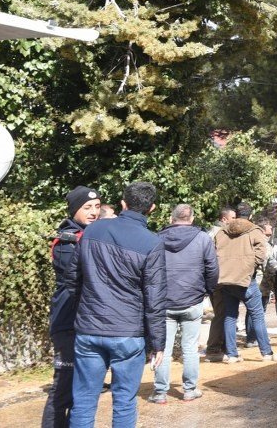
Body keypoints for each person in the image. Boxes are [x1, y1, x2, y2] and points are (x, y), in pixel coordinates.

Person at [68, 181, 166, 428]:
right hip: (127, 333)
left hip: (89, 329)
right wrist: (158, 344)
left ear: (123, 203)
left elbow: (73, 278)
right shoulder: (152, 243)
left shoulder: (92, 231)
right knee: (124, 401)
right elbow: (154, 299)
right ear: (152, 208)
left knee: (83, 401)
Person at [41, 185, 101, 428]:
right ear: (74, 209)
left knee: (81, 389)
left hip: (83, 324)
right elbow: (78, 278)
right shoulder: (68, 241)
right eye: (87, 208)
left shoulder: (89, 235)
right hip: (67, 323)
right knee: (63, 388)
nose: (93, 212)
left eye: (97, 207)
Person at [149, 204, 218, 404]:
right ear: (192, 218)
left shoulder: (157, 238)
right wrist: (208, 290)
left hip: (164, 301)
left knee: (162, 348)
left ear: (172, 219)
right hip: (192, 299)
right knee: (190, 348)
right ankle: (190, 389)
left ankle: (160, 392)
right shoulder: (203, 238)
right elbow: (212, 268)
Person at [213, 211, 277, 362]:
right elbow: (261, 254)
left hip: (226, 279)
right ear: (250, 216)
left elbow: (214, 253)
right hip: (246, 280)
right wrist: (251, 267)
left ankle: (231, 354)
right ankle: (267, 353)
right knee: (257, 316)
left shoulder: (222, 231)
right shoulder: (254, 231)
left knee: (230, 316)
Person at [203, 206, 236, 361]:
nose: (235, 221)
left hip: (216, 278)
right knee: (221, 313)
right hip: (218, 280)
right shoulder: (218, 234)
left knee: (223, 312)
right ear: (224, 219)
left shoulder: (212, 232)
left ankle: (221, 345)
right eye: (233, 218)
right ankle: (214, 348)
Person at [245, 220, 274, 349]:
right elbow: (267, 262)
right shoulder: (262, 243)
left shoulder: (252, 241)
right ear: (262, 230)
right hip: (261, 283)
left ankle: (251, 337)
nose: (272, 227)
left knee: (253, 311)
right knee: (258, 311)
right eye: (269, 226)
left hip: (259, 282)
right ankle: (253, 338)